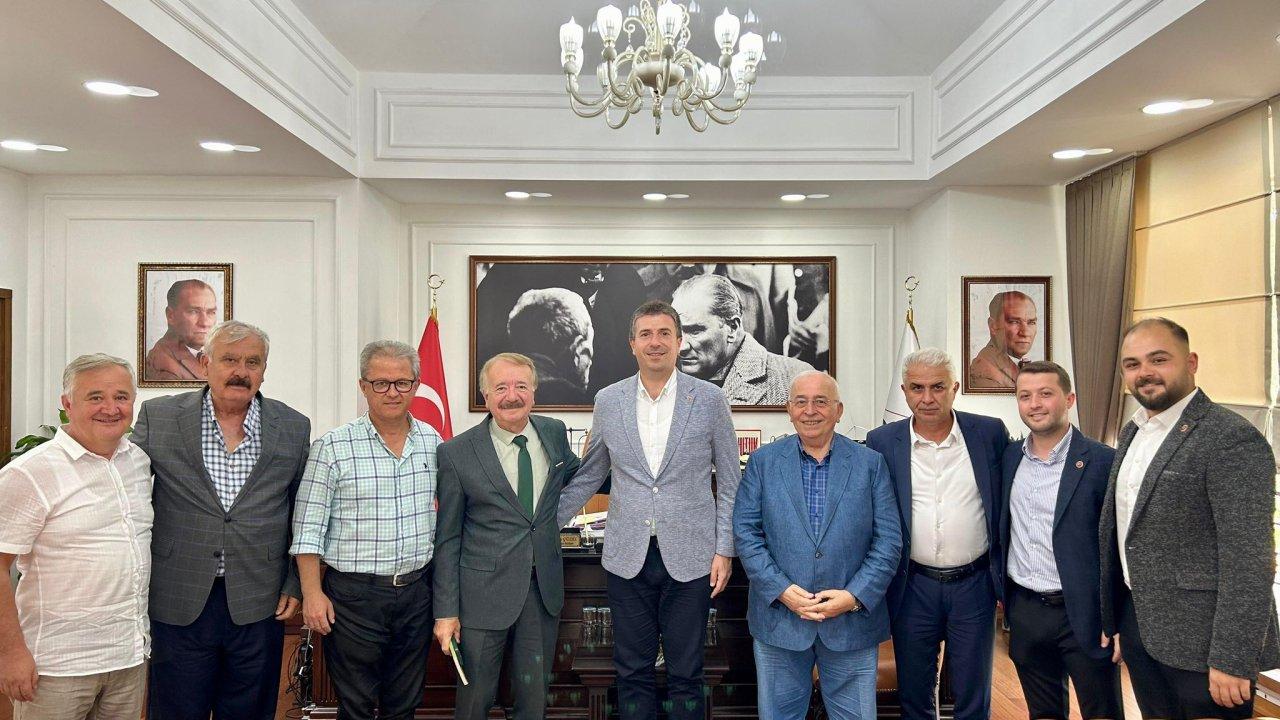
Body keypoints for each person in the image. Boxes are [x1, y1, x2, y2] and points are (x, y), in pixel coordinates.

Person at [558, 300, 741, 720]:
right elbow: (590, 475)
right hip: (627, 558)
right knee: (632, 672)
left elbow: (731, 483)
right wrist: (543, 525)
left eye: (664, 334)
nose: (655, 342)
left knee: (687, 673)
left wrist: (725, 549)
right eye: (646, 334)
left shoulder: (710, 399)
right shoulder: (609, 400)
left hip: (693, 558)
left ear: (679, 341)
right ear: (632, 344)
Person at [1099, 318, 1280, 719]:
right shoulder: (1132, 431)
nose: (1144, 372)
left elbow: (1250, 560)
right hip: (1141, 629)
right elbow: (1125, 534)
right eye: (1132, 364)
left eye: (1158, 359)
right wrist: (1120, 621)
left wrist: (1233, 658)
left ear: (1191, 362)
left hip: (1205, 648)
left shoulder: (1230, 438)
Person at [133, 320, 311, 720]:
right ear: (205, 363)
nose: (240, 371)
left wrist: (294, 581)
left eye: (252, 362)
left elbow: (304, 512)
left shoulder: (293, 426)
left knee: (250, 710)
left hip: (260, 597)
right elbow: (125, 492)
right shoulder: (160, 417)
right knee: (176, 710)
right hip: (178, 594)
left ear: (264, 370)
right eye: (229, 359)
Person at [733, 371, 901, 718]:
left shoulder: (870, 464)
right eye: (801, 402)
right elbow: (746, 534)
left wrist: (853, 597)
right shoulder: (763, 463)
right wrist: (781, 590)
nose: (810, 411)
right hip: (780, 620)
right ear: (789, 410)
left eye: (820, 402)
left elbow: (888, 541)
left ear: (838, 410)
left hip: (851, 623)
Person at [293, 340, 442, 720]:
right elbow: (307, 527)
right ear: (363, 386)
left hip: (416, 593)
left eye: (402, 382)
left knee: (404, 705)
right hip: (354, 598)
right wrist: (312, 594)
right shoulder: (332, 447)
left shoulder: (433, 442)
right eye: (380, 383)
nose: (392, 392)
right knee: (356, 706)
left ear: (416, 385)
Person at [0, 355, 151, 719]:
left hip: (129, 659)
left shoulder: (138, 462)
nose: (110, 408)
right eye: (95, 397)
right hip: (55, 666)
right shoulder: (29, 473)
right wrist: (10, 653)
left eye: (121, 397)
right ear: (67, 404)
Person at [433, 352, 582, 720]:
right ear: (485, 396)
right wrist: (446, 612)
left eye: (520, 386)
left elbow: (583, 475)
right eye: (500, 388)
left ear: (534, 392)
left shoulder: (554, 433)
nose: (511, 396)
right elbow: (447, 538)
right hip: (481, 598)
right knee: (474, 703)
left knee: (533, 702)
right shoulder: (455, 453)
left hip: (542, 592)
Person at [865, 348, 1008, 720]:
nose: (927, 398)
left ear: (954, 388)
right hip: (913, 585)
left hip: (974, 585)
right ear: (904, 391)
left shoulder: (989, 433)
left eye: (938, 387)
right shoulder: (882, 441)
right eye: (917, 388)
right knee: (915, 695)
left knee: (973, 694)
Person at [998, 361, 1122, 719]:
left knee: (1103, 713)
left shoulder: (1103, 461)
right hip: (1026, 610)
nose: (1034, 404)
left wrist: (1117, 619)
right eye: (1025, 396)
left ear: (1069, 399)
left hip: (1085, 613)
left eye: (1045, 394)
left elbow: (1118, 547)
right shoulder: (1009, 458)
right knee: (1043, 714)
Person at [671, 274, 813, 405]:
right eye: (676, 332)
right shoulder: (668, 383)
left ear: (732, 327)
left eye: (695, 331)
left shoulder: (796, 380)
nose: (681, 348)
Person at [506, 288, 594, 405]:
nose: (589, 363)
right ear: (579, 349)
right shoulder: (578, 401)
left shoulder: (493, 391)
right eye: (587, 353)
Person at [144, 278, 219, 382]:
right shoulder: (165, 368)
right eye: (193, 311)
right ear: (171, 316)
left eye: (211, 312)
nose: (205, 323)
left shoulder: (208, 353)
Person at [969, 290, 1038, 390]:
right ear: (993, 326)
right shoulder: (984, 374)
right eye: (1014, 322)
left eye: (1031, 322)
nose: (1025, 333)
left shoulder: (1003, 363)